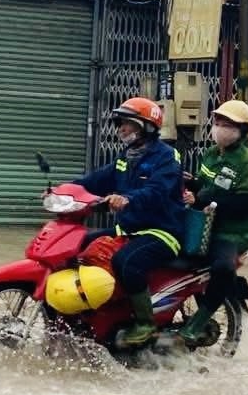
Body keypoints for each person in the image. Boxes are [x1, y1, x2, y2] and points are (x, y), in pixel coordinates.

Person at [73, 97, 188, 347]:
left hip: (162, 230)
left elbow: (157, 191)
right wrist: (66, 189)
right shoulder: (127, 155)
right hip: (130, 228)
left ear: (146, 126)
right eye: (120, 123)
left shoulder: (167, 157)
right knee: (80, 244)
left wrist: (127, 198)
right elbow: (97, 179)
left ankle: (146, 324)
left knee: (126, 262)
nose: (121, 129)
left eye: (127, 123)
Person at [177, 99, 248, 346]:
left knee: (223, 267)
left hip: (232, 232)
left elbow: (247, 203)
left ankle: (198, 323)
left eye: (227, 124)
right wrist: (191, 185)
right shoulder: (211, 154)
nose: (219, 128)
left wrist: (207, 202)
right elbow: (206, 185)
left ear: (242, 131)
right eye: (217, 122)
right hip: (203, 226)